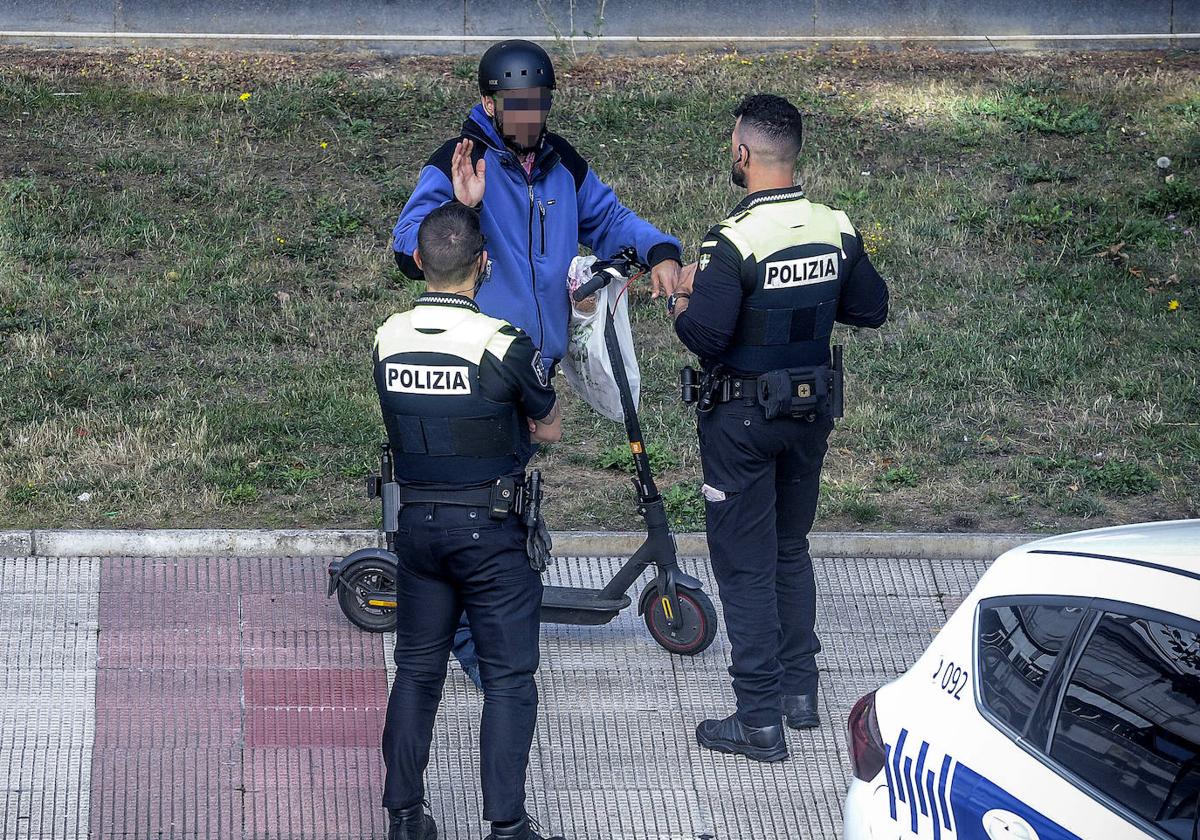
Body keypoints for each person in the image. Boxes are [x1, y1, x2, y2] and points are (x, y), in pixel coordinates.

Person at [391, 38, 683, 685]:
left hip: (532, 362)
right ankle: (478, 637)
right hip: (475, 358)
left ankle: (489, 608)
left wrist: (659, 250)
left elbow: (610, 220)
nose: (529, 117)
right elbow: (411, 247)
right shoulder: (458, 160)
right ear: (491, 103)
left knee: (511, 487)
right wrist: (462, 207)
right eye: (516, 104)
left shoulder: (561, 167)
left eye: (538, 104)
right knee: (488, 497)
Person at [668, 94, 889, 762]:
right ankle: (800, 693)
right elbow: (871, 307)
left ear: (744, 153)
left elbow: (705, 335)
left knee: (743, 568)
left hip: (741, 421)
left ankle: (758, 718)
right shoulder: (835, 225)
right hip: (810, 413)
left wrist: (680, 291)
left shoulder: (732, 240)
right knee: (789, 548)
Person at [376, 202, 566, 840]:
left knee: (417, 671)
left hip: (418, 530)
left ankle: (405, 819)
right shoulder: (503, 345)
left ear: (420, 263)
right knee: (509, 680)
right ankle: (506, 827)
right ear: (483, 264)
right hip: (492, 534)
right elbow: (550, 423)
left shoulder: (388, 336)